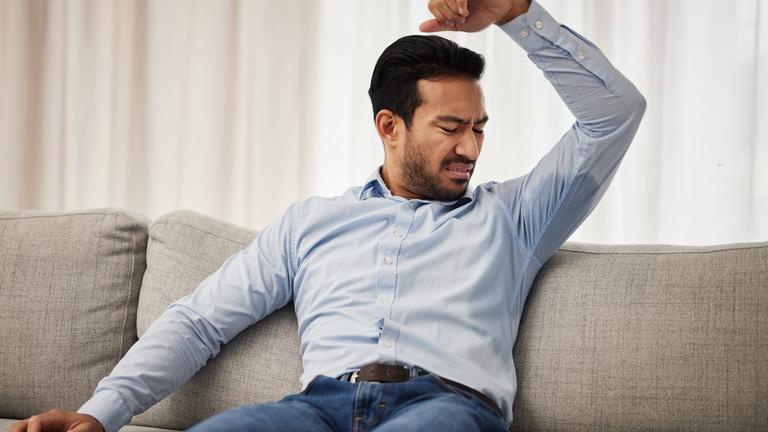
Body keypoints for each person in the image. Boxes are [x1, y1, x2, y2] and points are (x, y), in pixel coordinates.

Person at [11, 0, 646, 431]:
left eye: (479, 127)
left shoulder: (515, 217)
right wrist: (100, 414)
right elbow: (199, 323)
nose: (471, 148)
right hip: (316, 410)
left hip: (446, 410)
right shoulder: (311, 224)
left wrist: (517, 15)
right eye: (451, 127)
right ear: (389, 127)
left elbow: (614, 114)